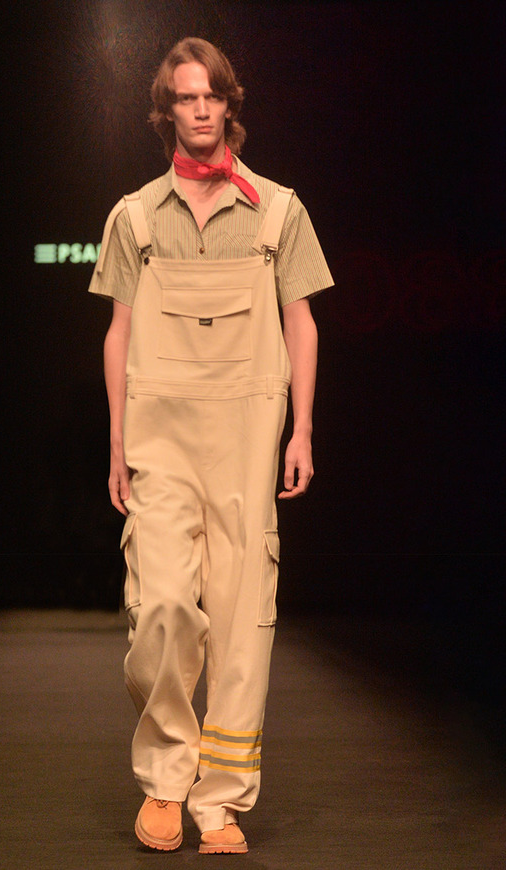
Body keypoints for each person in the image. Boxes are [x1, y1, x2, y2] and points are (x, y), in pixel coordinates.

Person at [88, 37, 333, 855]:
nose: (200, 110)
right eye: (186, 98)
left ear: (230, 105)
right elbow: (119, 331)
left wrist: (302, 428)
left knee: (240, 616)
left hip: (246, 432)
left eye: (212, 96)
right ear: (167, 111)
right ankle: (165, 776)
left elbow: (301, 321)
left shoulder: (279, 211)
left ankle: (218, 801)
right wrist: (117, 439)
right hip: (159, 434)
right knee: (159, 607)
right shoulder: (134, 216)